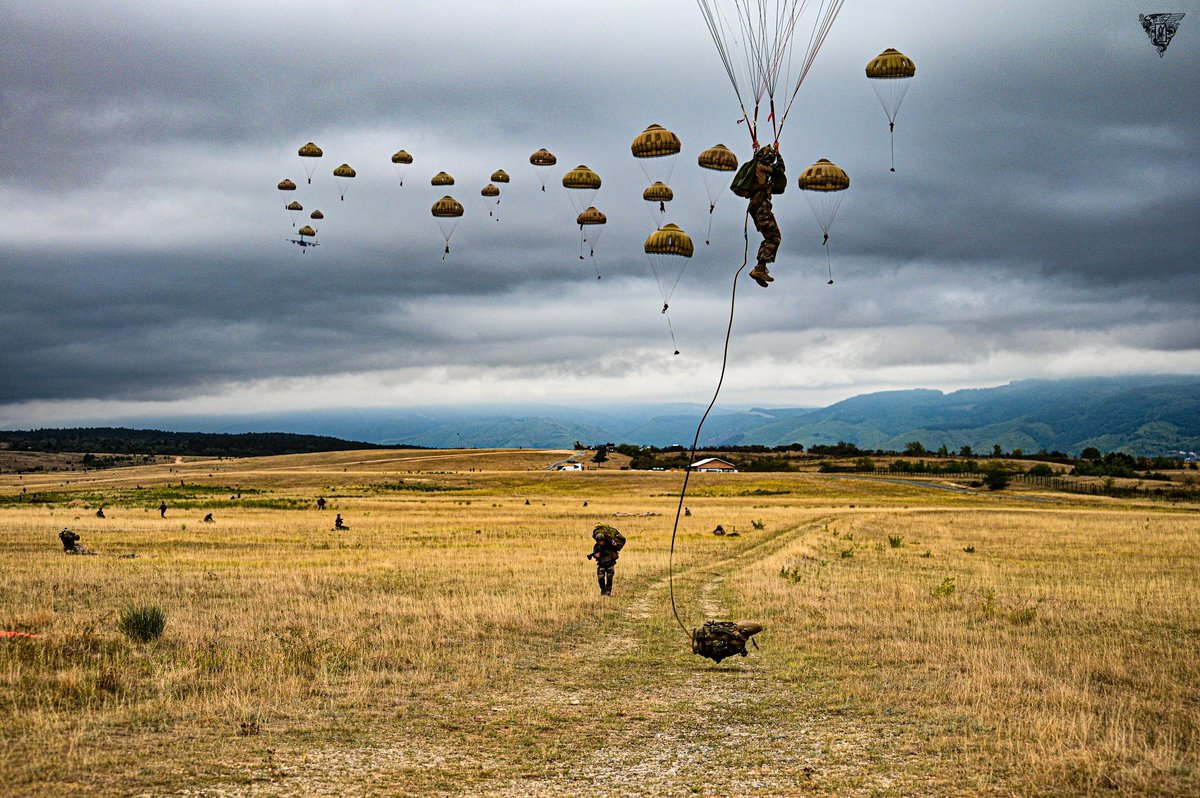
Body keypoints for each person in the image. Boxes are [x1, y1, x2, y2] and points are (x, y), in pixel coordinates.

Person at [731, 144, 787, 287]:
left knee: (770, 238)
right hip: (761, 207)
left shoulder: (756, 164)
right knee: (774, 238)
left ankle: (760, 268)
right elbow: (780, 170)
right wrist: (779, 154)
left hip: (758, 207)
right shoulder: (762, 166)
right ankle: (759, 268)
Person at [586, 523, 626, 596]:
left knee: (609, 578)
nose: (601, 542)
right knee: (600, 577)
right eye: (599, 541)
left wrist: (615, 545)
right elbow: (595, 553)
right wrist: (595, 555)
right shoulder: (596, 546)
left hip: (610, 563)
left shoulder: (610, 544)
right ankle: (603, 590)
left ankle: (608, 591)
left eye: (602, 541)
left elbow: (617, 549)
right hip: (601, 563)